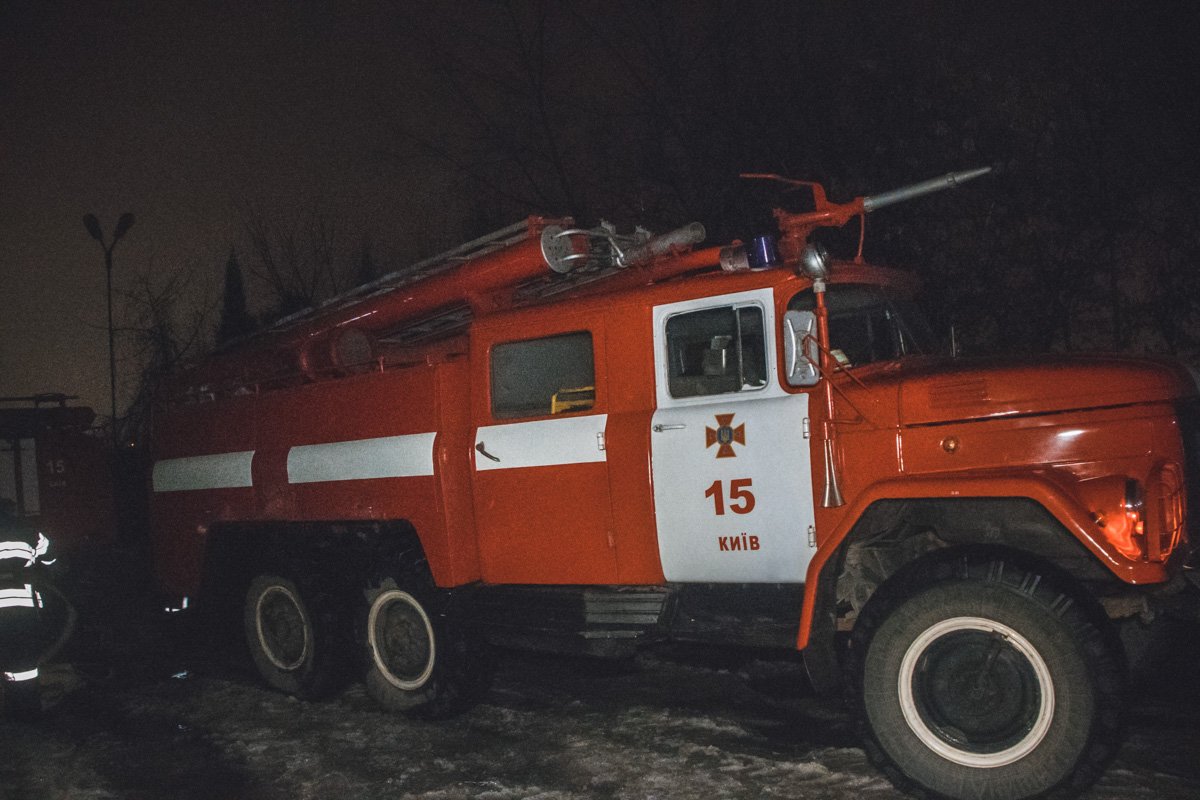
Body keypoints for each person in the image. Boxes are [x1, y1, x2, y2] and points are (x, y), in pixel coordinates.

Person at [0, 497, 53, 718]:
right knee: (23, 666)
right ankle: (26, 711)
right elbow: (51, 559)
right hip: (23, 610)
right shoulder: (29, 531)